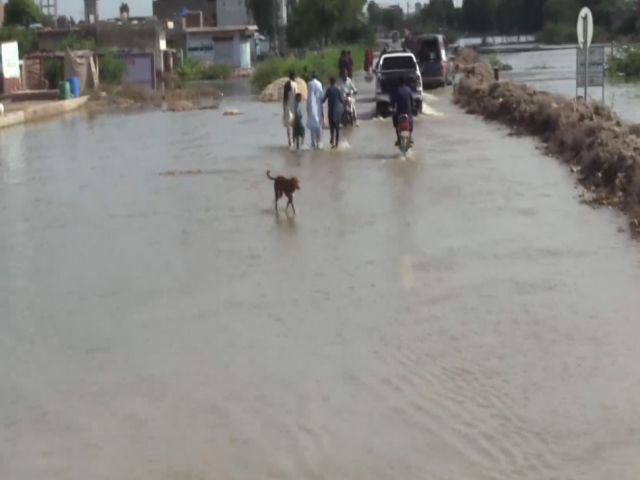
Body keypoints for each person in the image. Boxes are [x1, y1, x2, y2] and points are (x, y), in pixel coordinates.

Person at [391, 76, 414, 147]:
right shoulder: (409, 90)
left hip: (399, 113)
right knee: (411, 126)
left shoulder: (396, 90)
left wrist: (392, 107)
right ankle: (410, 137)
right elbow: (412, 101)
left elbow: (393, 102)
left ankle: (398, 139)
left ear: (399, 82)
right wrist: (412, 107)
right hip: (408, 113)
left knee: (396, 124)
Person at [323, 77, 344, 149]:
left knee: (332, 127)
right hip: (337, 112)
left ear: (330, 82)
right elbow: (341, 100)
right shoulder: (338, 89)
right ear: (335, 82)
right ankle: (337, 144)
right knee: (337, 128)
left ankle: (332, 138)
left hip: (331, 112)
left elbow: (323, 100)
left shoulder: (328, 90)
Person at [306, 72, 324, 149]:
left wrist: (307, 108)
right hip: (319, 106)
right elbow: (321, 95)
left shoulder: (309, 84)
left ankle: (313, 143)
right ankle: (319, 143)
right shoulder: (319, 84)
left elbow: (308, 97)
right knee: (319, 125)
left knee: (312, 126)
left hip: (311, 107)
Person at [282, 71, 297, 147]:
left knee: (288, 126)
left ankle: (289, 141)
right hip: (293, 107)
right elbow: (296, 96)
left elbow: (284, 99)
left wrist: (284, 109)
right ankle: (293, 140)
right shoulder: (294, 84)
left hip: (287, 106)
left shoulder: (286, 85)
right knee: (293, 124)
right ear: (293, 77)